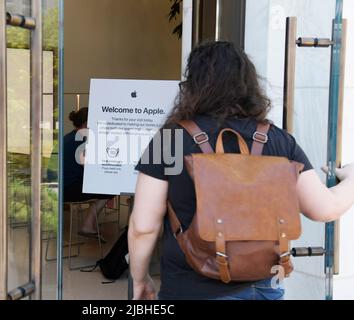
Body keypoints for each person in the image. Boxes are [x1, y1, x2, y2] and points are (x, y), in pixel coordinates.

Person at [128, 41, 354, 300]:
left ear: (193, 86)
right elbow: (325, 208)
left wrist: (139, 278)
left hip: (190, 288)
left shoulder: (170, 139)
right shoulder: (278, 140)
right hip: (263, 287)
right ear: (248, 85)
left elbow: (143, 226)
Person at [60, 107, 114, 238]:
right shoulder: (82, 141)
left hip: (60, 186)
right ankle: (87, 226)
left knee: (104, 187)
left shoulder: (70, 137)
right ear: (85, 124)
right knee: (110, 189)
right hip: (68, 189)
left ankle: (89, 223)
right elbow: (90, 170)